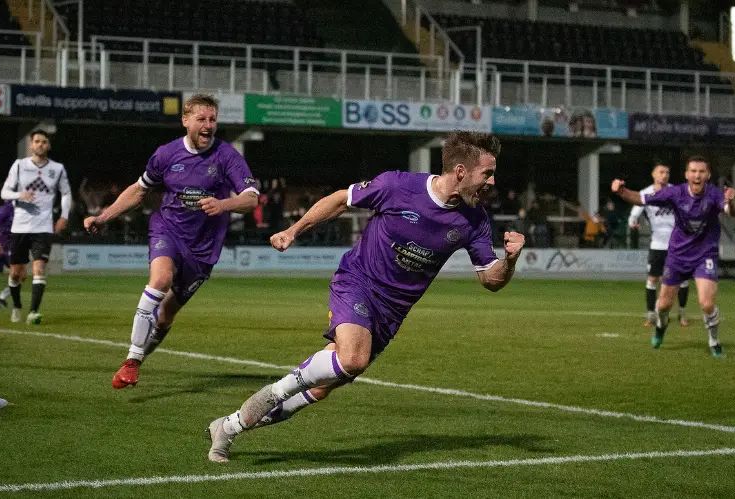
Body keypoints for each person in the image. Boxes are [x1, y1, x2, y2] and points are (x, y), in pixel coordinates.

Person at [205, 131, 525, 463]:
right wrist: (293, 230)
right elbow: (341, 199)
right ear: (461, 171)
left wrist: (510, 260)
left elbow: (490, 279)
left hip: (392, 313)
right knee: (353, 359)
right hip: (358, 282)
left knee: (322, 386)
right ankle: (275, 392)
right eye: (487, 173)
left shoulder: (474, 220)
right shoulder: (398, 186)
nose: (492, 181)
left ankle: (228, 427)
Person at [84, 94, 259, 390]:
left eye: (213, 120)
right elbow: (138, 191)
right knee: (160, 278)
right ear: (186, 120)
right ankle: (132, 358)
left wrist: (224, 205)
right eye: (202, 119)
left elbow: (251, 198)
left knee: (165, 317)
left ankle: (137, 361)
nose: (208, 126)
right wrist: (103, 217)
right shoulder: (166, 154)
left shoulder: (227, 156)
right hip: (168, 229)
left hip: (203, 250)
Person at [612, 156, 735, 357]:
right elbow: (642, 199)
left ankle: (714, 341)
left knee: (706, 303)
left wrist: (731, 201)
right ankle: (661, 326)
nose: (697, 175)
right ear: (687, 174)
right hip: (678, 254)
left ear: (708, 175)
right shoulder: (675, 192)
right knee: (663, 305)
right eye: (693, 171)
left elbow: (730, 211)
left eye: (701, 171)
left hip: (705, 253)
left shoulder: (714, 193)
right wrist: (621, 191)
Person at [0, 130, 72, 325]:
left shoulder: (57, 169)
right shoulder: (19, 165)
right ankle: (16, 306)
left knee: (39, 268)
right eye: (37, 141)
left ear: (48, 146)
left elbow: (66, 193)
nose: (40, 145)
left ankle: (33, 312)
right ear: (31, 145)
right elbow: (4, 192)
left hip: (43, 226)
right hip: (20, 226)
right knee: (15, 273)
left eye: (44, 142)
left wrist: (64, 216)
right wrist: (19, 195)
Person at [626, 162, 691, 329]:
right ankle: (651, 315)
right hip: (657, 245)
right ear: (653, 175)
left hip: (677, 244)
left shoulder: (675, 191)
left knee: (682, 280)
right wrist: (633, 222)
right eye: (661, 172)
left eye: (667, 172)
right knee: (652, 280)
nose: (665, 175)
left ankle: (682, 313)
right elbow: (634, 213)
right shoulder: (646, 193)